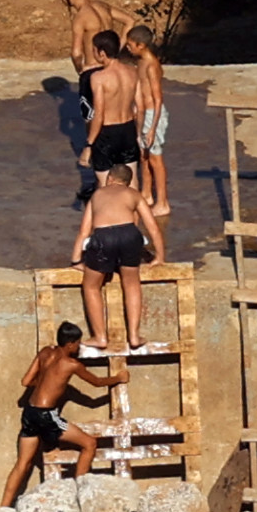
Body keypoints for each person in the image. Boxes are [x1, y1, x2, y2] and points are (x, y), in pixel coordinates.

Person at [0, 321, 130, 506]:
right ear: (69, 344)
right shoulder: (71, 364)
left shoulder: (45, 352)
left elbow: (26, 381)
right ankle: (79, 496)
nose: (79, 346)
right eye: (78, 343)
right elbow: (97, 382)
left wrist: (47, 383)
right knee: (89, 443)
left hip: (30, 413)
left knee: (23, 464)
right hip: (47, 417)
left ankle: (3, 509)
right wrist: (118, 378)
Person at [72, 164, 168, 351]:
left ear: (109, 179)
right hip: (129, 235)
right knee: (132, 283)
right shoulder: (134, 195)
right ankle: (133, 335)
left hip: (103, 237)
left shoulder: (97, 195)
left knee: (91, 286)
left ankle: (100, 337)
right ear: (128, 182)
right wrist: (159, 257)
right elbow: (152, 227)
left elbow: (84, 231)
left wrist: (76, 259)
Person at [81, 30, 142, 187]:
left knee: (105, 185)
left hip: (107, 133)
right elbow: (140, 108)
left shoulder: (98, 78)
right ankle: (135, 211)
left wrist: (89, 145)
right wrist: (139, 134)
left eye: (93, 50)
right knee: (132, 180)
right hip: (128, 129)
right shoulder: (132, 72)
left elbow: (99, 115)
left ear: (102, 53)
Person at [125, 25, 170, 216]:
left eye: (130, 45)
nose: (127, 48)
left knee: (155, 158)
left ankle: (163, 201)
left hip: (153, 115)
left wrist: (152, 128)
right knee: (144, 156)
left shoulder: (151, 65)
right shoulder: (141, 62)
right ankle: (146, 193)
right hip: (143, 113)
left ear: (141, 45)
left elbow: (158, 98)